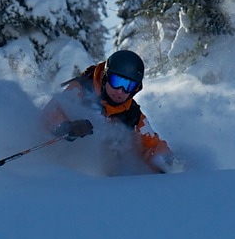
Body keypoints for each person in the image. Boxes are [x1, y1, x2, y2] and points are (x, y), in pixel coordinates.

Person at [42, 50, 184, 174]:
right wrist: (67, 127)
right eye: (117, 81)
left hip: (107, 179)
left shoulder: (132, 115)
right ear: (106, 76)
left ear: (136, 89)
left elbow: (152, 146)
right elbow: (52, 111)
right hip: (66, 170)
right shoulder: (82, 89)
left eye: (129, 85)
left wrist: (170, 165)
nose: (120, 91)